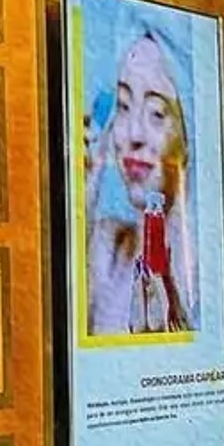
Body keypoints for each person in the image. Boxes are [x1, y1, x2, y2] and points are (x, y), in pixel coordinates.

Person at [82, 20, 198, 336]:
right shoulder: (106, 246)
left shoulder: (204, 277)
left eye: (156, 113)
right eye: (123, 105)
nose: (133, 134)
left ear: (189, 133)